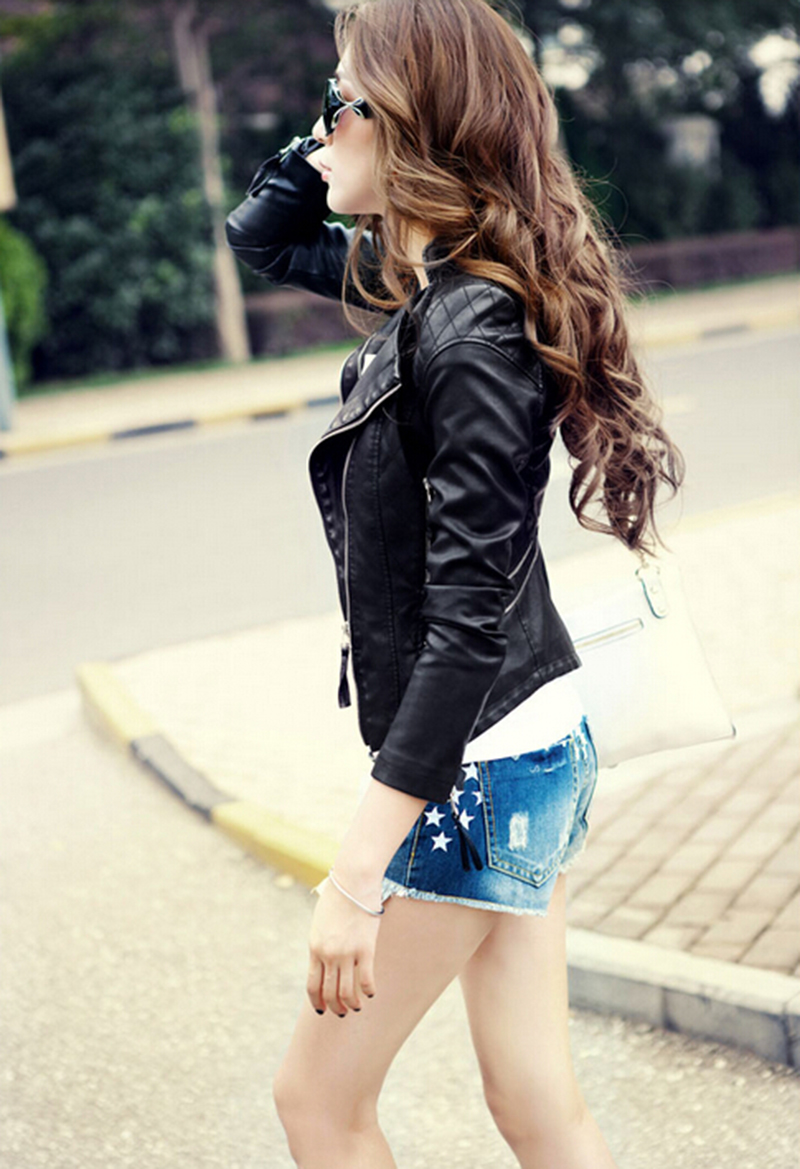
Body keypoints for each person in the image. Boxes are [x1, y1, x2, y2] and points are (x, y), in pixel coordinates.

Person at [226, 1, 683, 1165]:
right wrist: (329, 132)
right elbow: (261, 238)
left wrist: (353, 877)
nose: (319, 131)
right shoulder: (423, 284)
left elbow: (464, 625)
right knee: (534, 1101)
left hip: (482, 768)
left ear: (408, 120)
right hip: (526, 746)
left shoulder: (465, 328)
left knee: (317, 1102)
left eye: (338, 103)